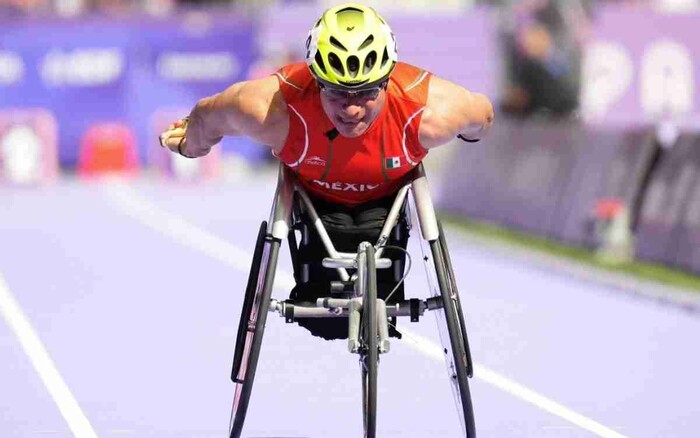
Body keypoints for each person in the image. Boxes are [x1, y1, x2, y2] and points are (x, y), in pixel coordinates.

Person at [159, 3, 494, 340]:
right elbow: (207, 115)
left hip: (388, 207)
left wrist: (471, 131)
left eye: (365, 93)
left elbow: (482, 114)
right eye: (336, 93)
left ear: (387, 81)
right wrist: (192, 145)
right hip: (313, 208)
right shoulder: (273, 109)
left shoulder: (430, 112)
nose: (351, 108)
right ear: (317, 82)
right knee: (325, 321)